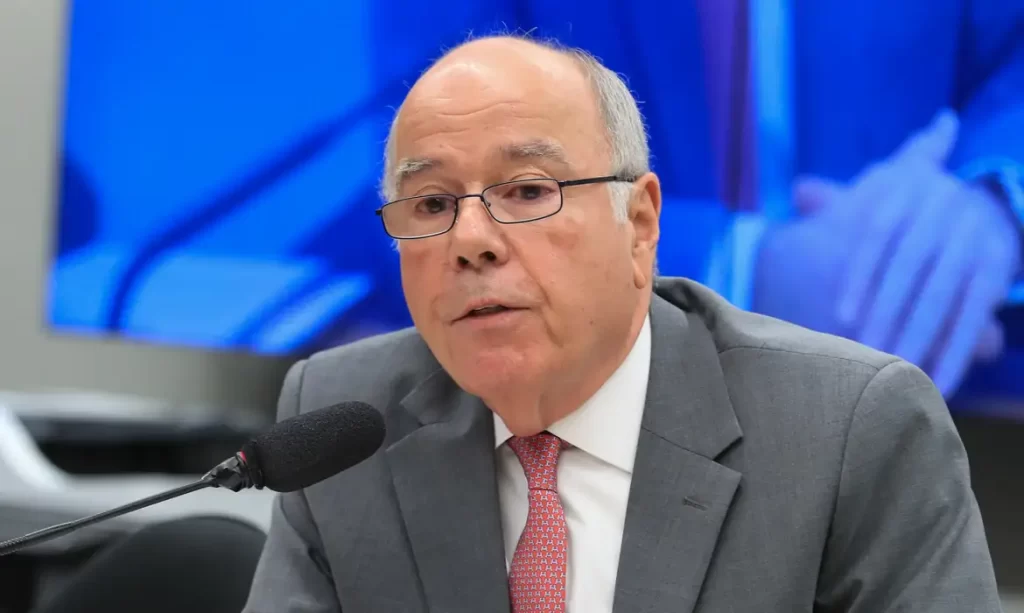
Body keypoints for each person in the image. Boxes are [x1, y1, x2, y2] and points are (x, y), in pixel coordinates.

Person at [243, 36, 1002, 612]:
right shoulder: (344, 418)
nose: (470, 240)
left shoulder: (850, 430)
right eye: (432, 203)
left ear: (639, 224)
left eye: (527, 190)